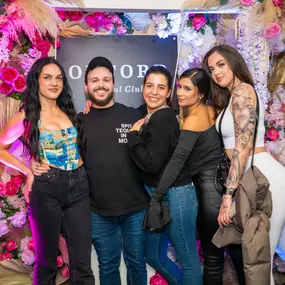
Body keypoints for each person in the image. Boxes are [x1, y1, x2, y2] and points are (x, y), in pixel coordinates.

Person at [32, 56, 150, 285]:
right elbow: (56, 149)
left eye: (106, 79)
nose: (101, 84)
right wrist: (32, 166)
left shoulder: (133, 116)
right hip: (97, 211)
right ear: (86, 87)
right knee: (107, 265)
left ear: (114, 84)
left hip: (135, 208)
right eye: (94, 80)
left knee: (137, 263)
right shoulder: (76, 122)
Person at [142, 67, 246, 285]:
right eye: (179, 86)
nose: (179, 92)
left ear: (200, 94)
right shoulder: (208, 111)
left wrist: (157, 195)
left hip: (208, 191)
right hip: (218, 186)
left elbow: (177, 162)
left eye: (187, 88)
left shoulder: (194, 119)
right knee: (232, 254)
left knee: (212, 259)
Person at [0, 57, 94, 285]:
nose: (54, 83)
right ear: (37, 81)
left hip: (79, 187)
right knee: (47, 261)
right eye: (48, 77)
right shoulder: (26, 116)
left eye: (59, 78)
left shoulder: (68, 111)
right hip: (47, 188)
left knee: (82, 261)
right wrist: (27, 170)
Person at [203, 44, 285, 284]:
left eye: (221, 64)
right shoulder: (233, 96)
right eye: (211, 69)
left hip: (262, 177)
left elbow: (243, 146)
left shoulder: (242, 92)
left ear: (234, 61)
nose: (216, 72)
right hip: (251, 176)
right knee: (256, 262)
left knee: (259, 261)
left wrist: (228, 196)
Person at [127, 65, 183, 284]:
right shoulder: (148, 115)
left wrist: (132, 137)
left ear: (169, 92)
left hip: (169, 198)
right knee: (154, 256)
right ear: (142, 88)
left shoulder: (163, 117)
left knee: (176, 256)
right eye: (149, 85)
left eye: (161, 88)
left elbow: (151, 164)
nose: (154, 92)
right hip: (157, 199)